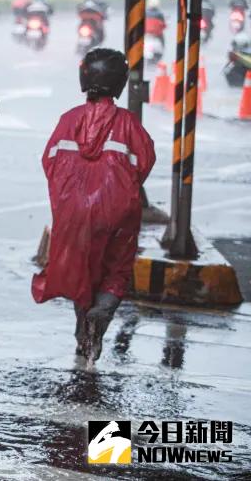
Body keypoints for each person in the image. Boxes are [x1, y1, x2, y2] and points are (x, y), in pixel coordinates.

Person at [31, 48, 156, 366]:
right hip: (118, 211)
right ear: (119, 83)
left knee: (80, 267)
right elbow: (144, 163)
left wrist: (70, 198)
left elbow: (50, 162)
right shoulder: (128, 123)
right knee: (116, 269)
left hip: (72, 210)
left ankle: (82, 329)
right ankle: (101, 315)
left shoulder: (69, 120)